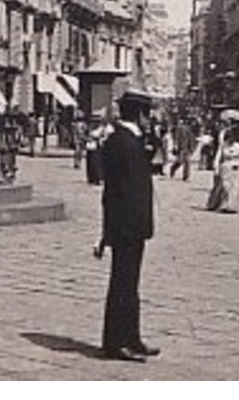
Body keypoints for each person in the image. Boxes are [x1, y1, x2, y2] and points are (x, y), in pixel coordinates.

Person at [98, 91, 158, 362]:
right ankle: (116, 342)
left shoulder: (129, 139)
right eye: (149, 114)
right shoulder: (122, 142)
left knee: (130, 284)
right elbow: (115, 191)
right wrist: (109, 231)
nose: (151, 119)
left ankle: (131, 337)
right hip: (125, 224)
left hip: (133, 224)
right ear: (140, 114)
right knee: (122, 284)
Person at [206, 127, 239, 212]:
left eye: (232, 139)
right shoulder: (223, 146)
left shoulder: (238, 146)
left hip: (235, 169)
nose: (231, 141)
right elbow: (217, 158)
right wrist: (216, 168)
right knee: (224, 186)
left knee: (234, 188)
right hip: (225, 168)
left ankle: (231, 206)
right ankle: (221, 204)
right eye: (229, 139)